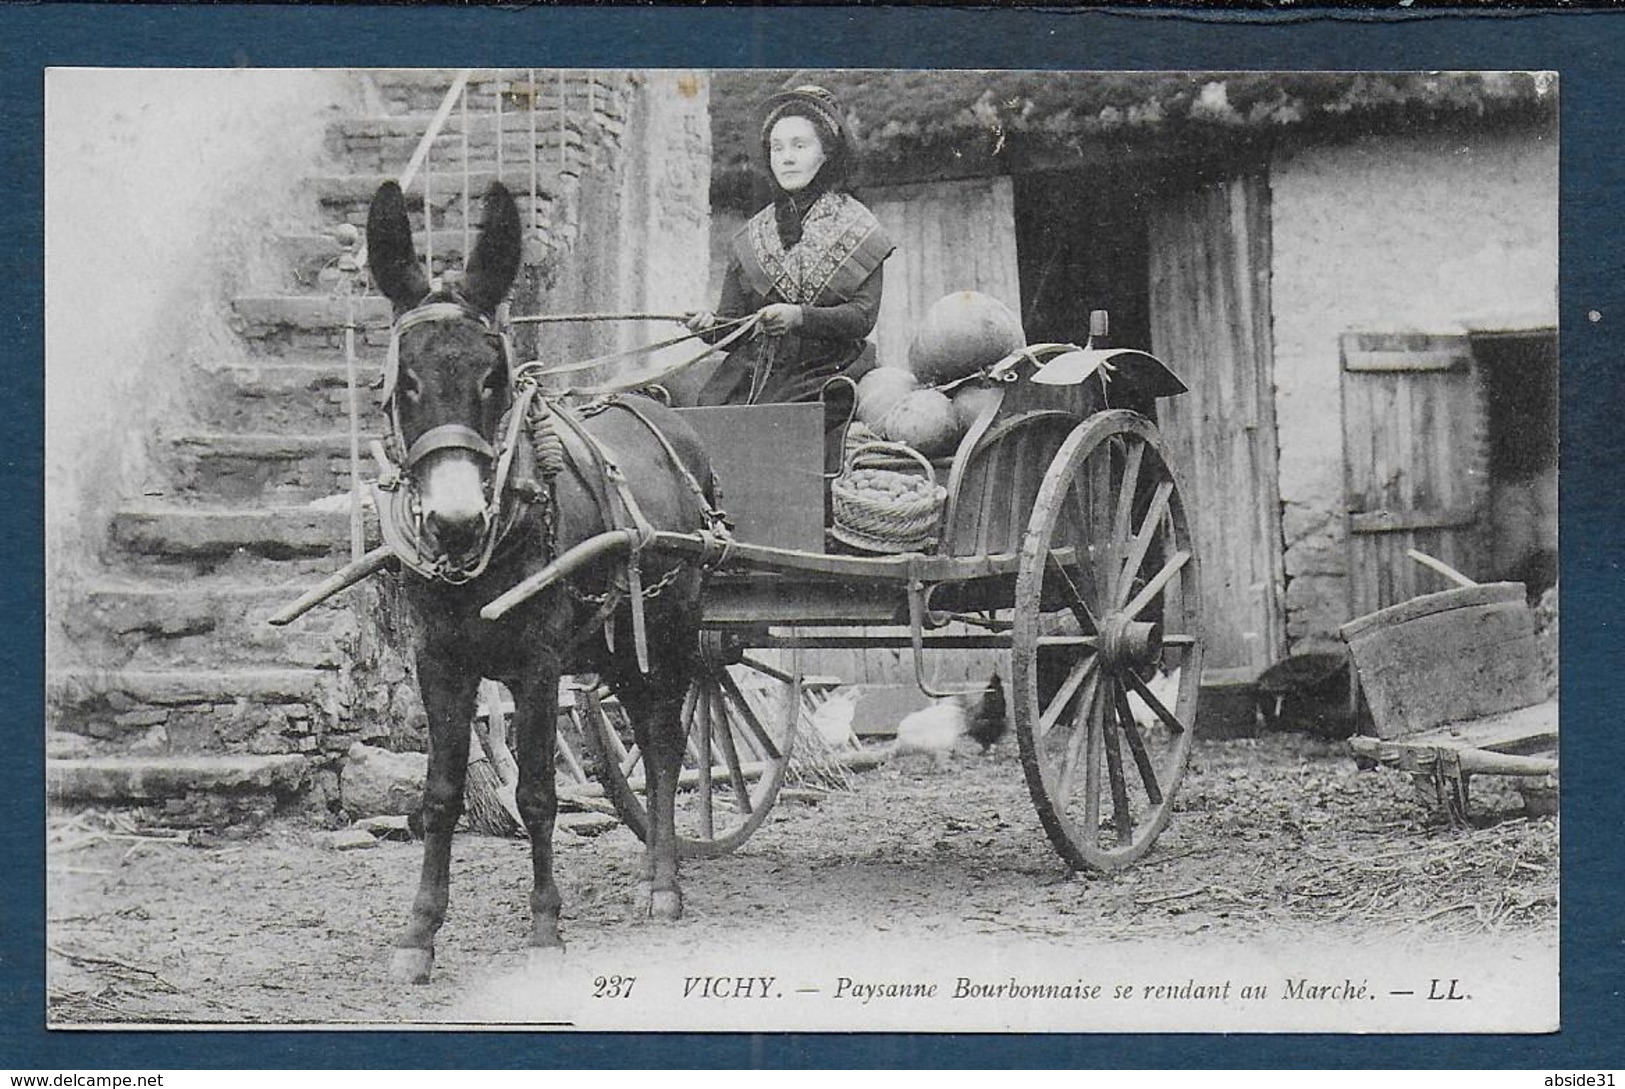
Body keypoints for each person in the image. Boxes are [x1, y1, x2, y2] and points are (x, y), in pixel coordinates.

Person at [689, 85, 895, 407]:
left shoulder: (860, 228)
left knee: (787, 419)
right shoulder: (751, 237)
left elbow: (861, 318)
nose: (786, 158)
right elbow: (732, 329)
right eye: (777, 148)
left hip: (827, 368)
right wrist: (706, 326)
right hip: (757, 368)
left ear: (827, 152)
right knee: (710, 412)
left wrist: (799, 317)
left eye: (800, 145)